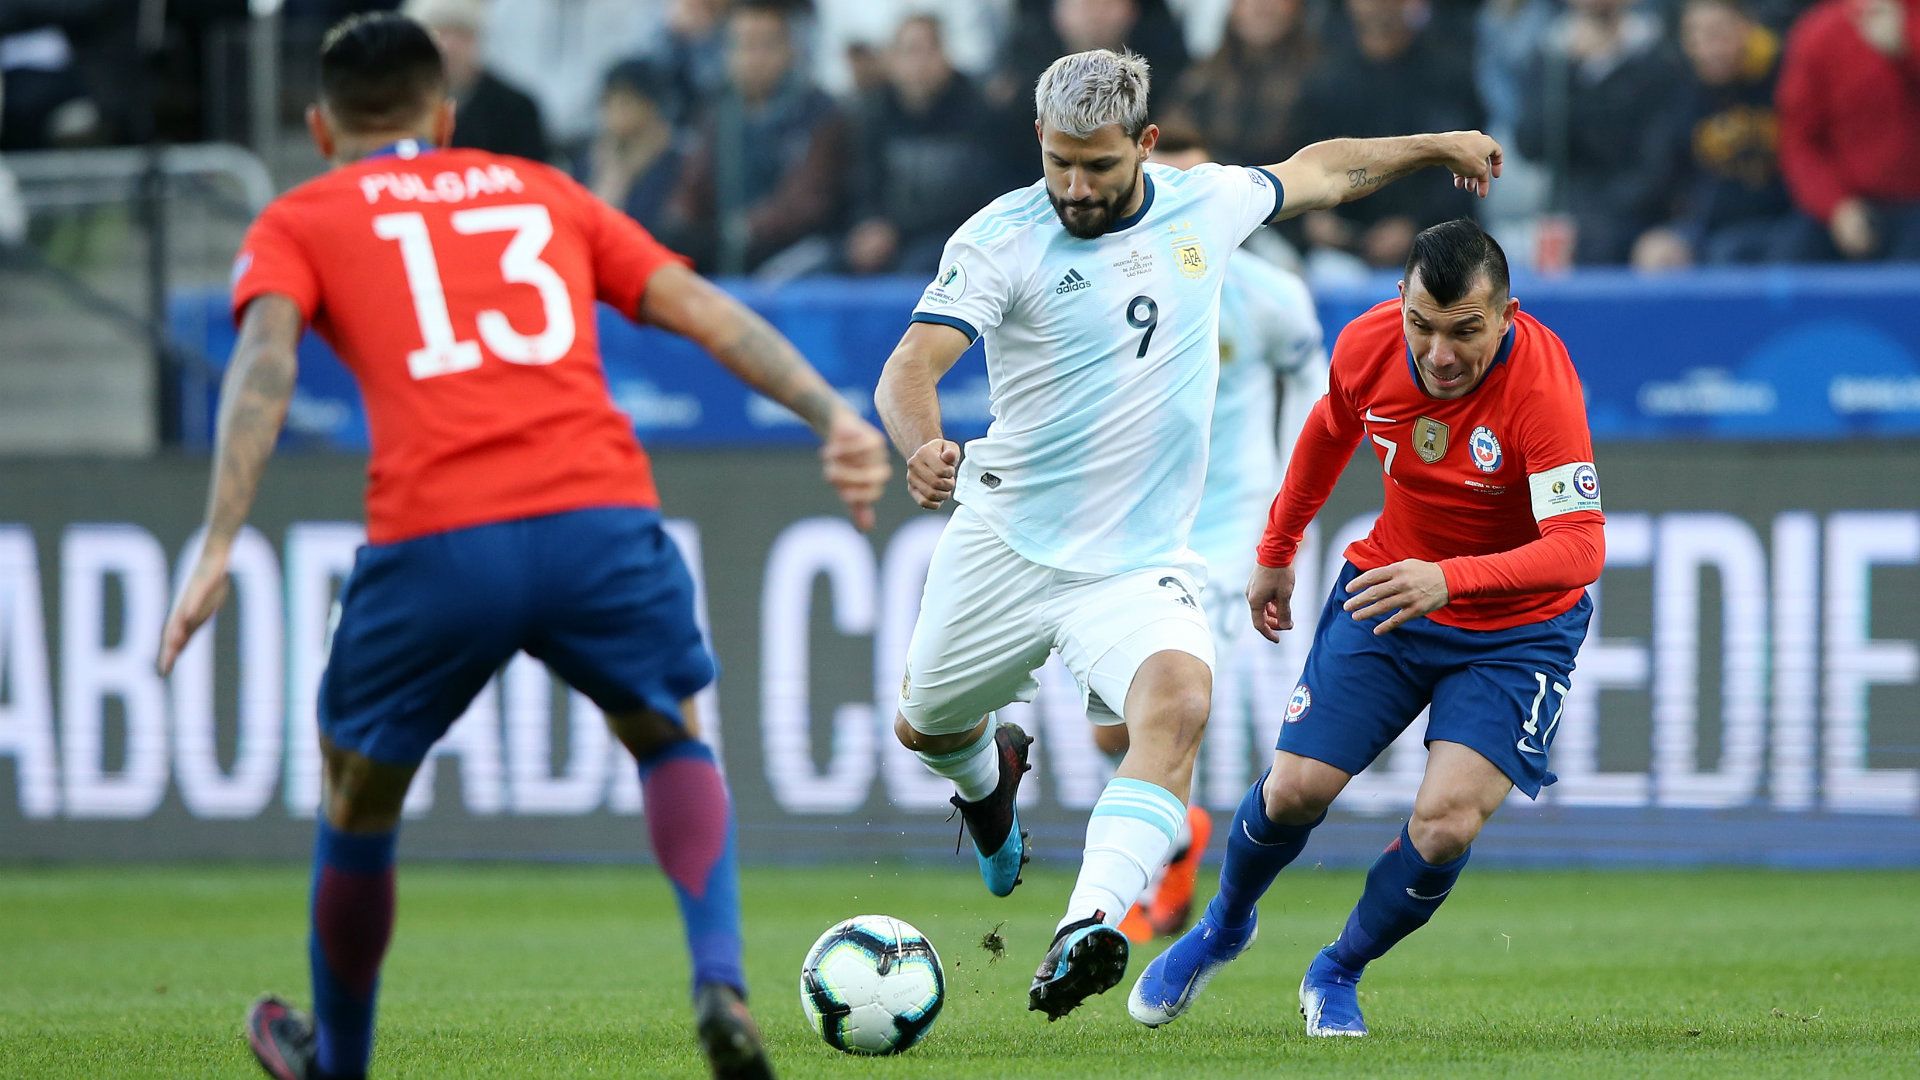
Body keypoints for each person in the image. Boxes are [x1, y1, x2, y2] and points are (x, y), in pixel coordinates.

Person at [156, 14, 889, 1080]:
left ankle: (339, 1060)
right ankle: (719, 978)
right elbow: (699, 308)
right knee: (671, 737)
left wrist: (220, 538)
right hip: (600, 518)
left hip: (436, 536)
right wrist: (832, 414)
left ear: (321, 129)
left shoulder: (302, 215)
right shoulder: (542, 190)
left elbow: (261, 366)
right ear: (446, 118)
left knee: (356, 795)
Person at [872, 46, 1500, 1021]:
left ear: (1148, 146)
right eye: (1061, 164)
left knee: (1177, 704)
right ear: (1038, 140)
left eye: (1101, 166)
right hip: (1006, 542)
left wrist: (1436, 147)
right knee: (925, 725)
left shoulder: (1200, 204)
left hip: (1135, 559)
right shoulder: (999, 238)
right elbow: (910, 366)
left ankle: (1089, 926)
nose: (1077, 188)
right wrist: (920, 447)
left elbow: (1326, 168)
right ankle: (987, 784)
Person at [1129, 219, 1604, 1038]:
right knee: (1292, 791)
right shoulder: (1369, 345)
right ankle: (1222, 926)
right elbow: (1327, 430)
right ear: (1401, 303)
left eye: (1466, 331)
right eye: (1424, 325)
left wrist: (1448, 579)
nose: (1440, 353)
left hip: (1517, 630)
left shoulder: (1541, 388)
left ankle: (1337, 968)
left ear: (1508, 316)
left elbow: (1580, 547)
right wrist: (1277, 550)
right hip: (1390, 594)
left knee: (1447, 822)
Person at [1089, 124, 1329, 945]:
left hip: (1229, 526)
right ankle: (1179, 826)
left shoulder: (1268, 294)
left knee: (1171, 700)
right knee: (1108, 728)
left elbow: (1314, 390)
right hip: (1136, 523)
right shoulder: (1113, 281)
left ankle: (1163, 868)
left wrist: (1285, 513)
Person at [1289, 0, 1486, 271]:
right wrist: (1316, 215)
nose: (1377, 5)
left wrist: (1415, 225)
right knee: (1329, 274)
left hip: (1439, 244)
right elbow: (1307, 157)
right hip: (1345, 250)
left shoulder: (1446, 72)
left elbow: (1464, 163)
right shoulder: (1327, 78)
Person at [665, 0, 848, 276]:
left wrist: (742, 229)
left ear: (790, 50)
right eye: (744, 45)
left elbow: (806, 203)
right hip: (725, 244)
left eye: (765, 44)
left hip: (795, 249)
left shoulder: (820, 113)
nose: (754, 57)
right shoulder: (718, 112)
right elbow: (693, 185)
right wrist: (679, 224)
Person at [1633, 0, 1801, 270]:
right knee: (1655, 252)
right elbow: (1665, 175)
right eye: (1694, 35)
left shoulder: (1786, 73)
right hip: (1707, 226)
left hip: (1781, 220)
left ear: (1747, 28)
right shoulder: (1681, 87)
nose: (1706, 47)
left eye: (1717, 33)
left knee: (1737, 253)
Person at [843, 14, 1015, 277]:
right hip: (886, 238)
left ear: (946, 56)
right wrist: (868, 224)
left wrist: (895, 230)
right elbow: (863, 185)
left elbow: (982, 192)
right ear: (891, 60)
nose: (919, 63)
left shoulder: (978, 112)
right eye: (909, 52)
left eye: (929, 50)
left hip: (954, 238)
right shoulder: (872, 114)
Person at [1775, 0, 1920, 260]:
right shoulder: (1819, 32)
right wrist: (1836, 206)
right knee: (1787, 262)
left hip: (1913, 204)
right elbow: (1799, 141)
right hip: (1849, 205)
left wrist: (1907, 50)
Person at [403, 0, 549, 162]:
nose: (449, 46)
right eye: (439, 32)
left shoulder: (516, 108)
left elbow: (530, 174)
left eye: (461, 34)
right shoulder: (397, 104)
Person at [582, 60, 688, 227]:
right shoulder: (591, 158)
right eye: (609, 101)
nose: (615, 111)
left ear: (650, 105)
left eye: (626, 102)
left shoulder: (674, 163)